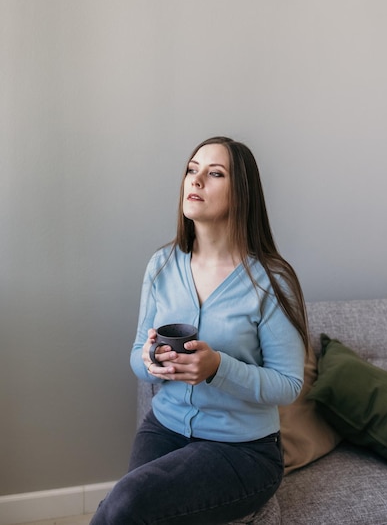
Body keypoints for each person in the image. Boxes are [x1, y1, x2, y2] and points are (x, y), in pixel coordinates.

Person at [90, 136, 309, 525]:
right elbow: (138, 354)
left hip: (243, 450)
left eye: (215, 173)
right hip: (164, 428)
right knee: (126, 507)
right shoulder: (161, 264)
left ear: (241, 193)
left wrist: (217, 368)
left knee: (125, 505)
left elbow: (288, 385)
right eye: (192, 170)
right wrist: (150, 359)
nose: (196, 180)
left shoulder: (272, 280)